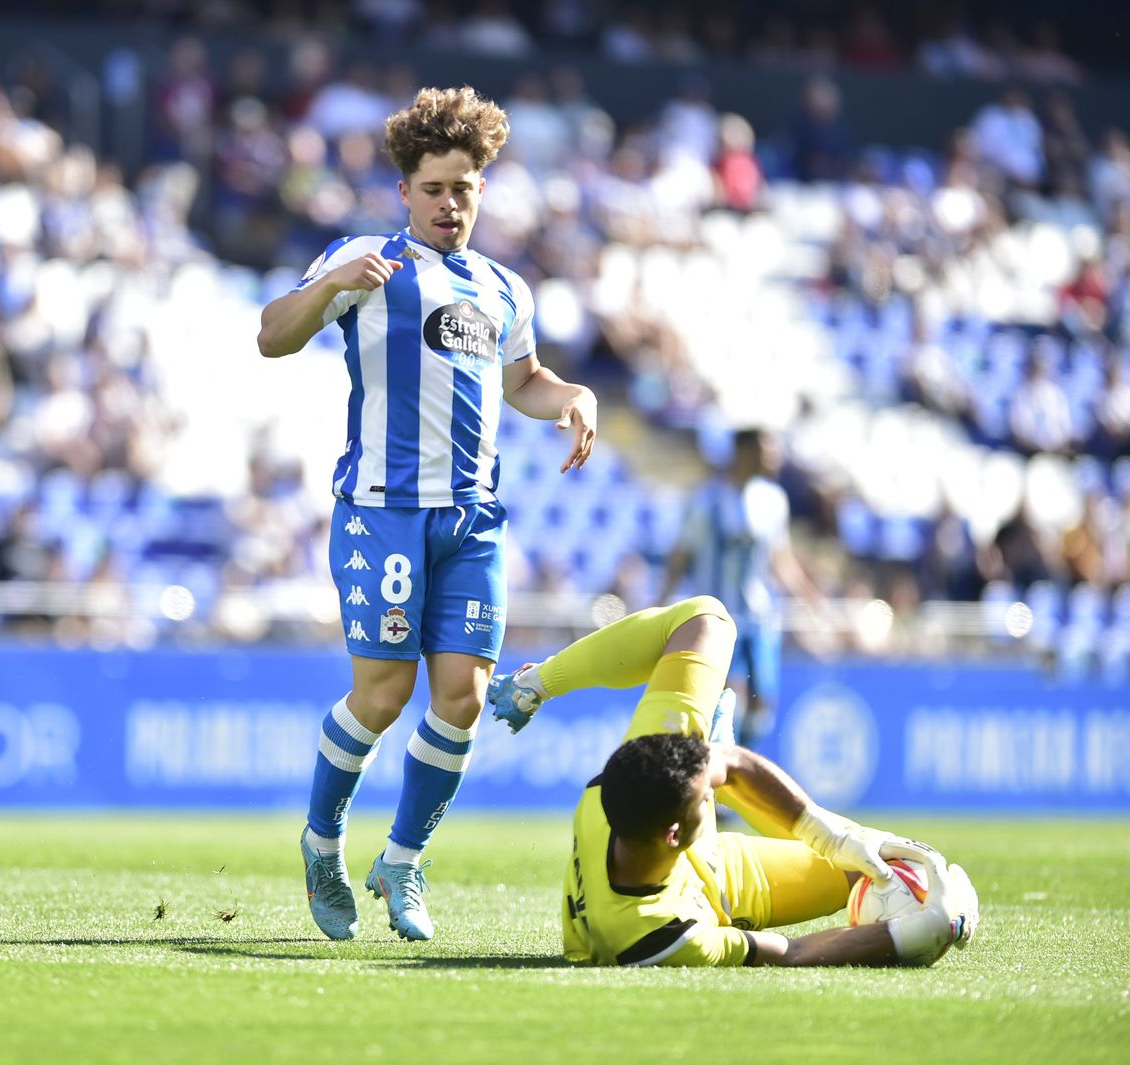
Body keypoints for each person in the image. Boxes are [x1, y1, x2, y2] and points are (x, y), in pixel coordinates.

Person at [257, 85, 597, 942]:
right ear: (405, 190)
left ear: (483, 192)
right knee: (382, 694)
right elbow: (272, 334)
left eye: (466, 189)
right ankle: (321, 840)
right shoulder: (366, 256)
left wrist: (575, 394)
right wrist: (332, 283)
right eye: (436, 188)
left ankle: (402, 863)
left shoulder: (503, 288)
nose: (451, 204)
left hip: (473, 519)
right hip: (382, 508)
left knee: (463, 698)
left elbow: (524, 383)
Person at [487, 596, 979, 967]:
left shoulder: (617, 787)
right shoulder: (659, 938)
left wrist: (833, 837)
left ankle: (535, 683)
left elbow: (729, 762)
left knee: (707, 619)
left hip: (674, 853)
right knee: (898, 876)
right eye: (707, 798)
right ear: (677, 834)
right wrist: (906, 939)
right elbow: (791, 953)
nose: (713, 793)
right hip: (716, 893)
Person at [657, 428, 826, 743]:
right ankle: (711, 767)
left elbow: (780, 558)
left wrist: (810, 597)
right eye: (767, 449)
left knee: (763, 701)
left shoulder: (773, 500)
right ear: (745, 451)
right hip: (716, 618)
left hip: (759, 616)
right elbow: (682, 554)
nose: (774, 457)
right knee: (722, 696)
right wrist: (661, 605)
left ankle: (739, 766)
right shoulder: (707, 499)